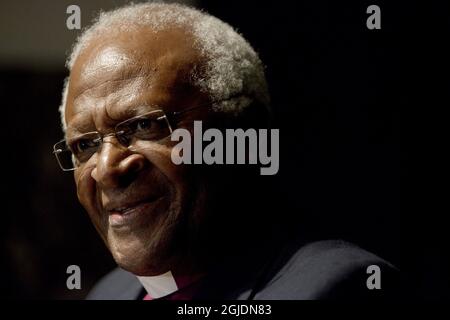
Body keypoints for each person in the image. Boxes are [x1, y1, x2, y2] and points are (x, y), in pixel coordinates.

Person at [54, 2, 401, 300]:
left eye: (146, 125)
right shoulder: (109, 293)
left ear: (243, 132)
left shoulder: (336, 288)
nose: (107, 168)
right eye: (85, 144)